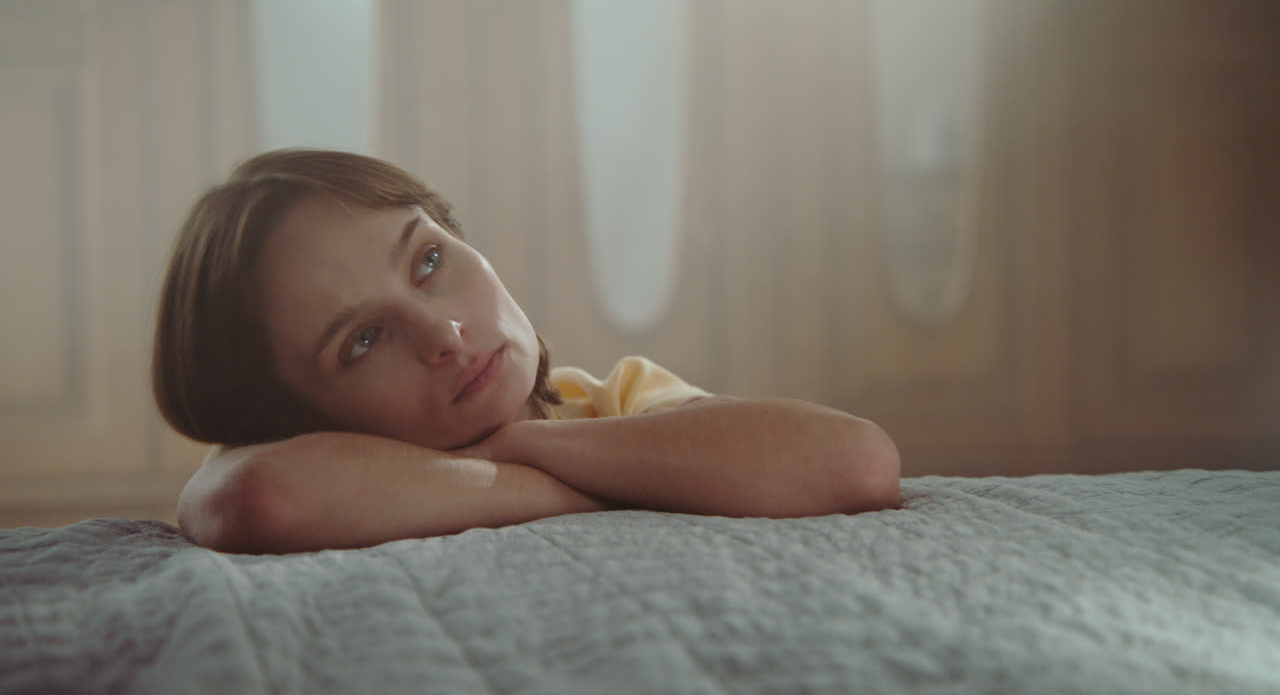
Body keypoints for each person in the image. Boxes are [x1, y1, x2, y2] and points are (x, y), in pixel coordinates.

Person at [152, 149, 900, 554]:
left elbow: (856, 463)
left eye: (429, 261)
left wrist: (529, 441)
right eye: (364, 341)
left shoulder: (614, 401)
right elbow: (252, 497)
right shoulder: (326, 473)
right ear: (301, 421)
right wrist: (567, 483)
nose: (444, 336)